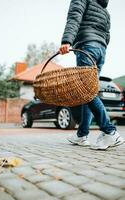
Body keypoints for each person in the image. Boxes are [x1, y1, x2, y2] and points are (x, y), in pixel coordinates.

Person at [59, 0, 124, 150]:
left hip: (87, 47)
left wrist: (67, 40)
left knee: (87, 90)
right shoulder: (105, 11)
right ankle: (82, 135)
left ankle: (109, 131)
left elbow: (74, 16)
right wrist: (100, 46)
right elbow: (107, 34)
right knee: (88, 92)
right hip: (100, 50)